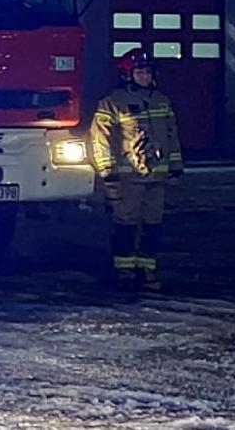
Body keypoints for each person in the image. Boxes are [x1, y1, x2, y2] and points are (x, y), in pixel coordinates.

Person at [91, 48, 184, 292]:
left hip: (157, 176)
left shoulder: (161, 100)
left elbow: (172, 135)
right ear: (127, 75)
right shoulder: (112, 103)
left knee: (153, 223)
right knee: (125, 223)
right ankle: (125, 271)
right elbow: (101, 140)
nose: (145, 76)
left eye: (148, 72)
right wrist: (107, 172)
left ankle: (147, 268)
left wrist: (175, 167)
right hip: (127, 179)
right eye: (140, 72)